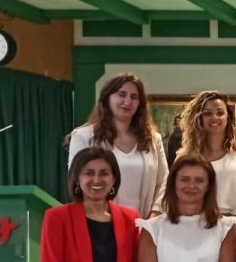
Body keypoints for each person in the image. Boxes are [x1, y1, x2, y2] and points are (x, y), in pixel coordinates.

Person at [68, 72, 168, 217]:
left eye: (134, 97)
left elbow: (164, 181)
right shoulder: (84, 136)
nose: (127, 101)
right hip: (99, 221)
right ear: (107, 98)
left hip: (145, 223)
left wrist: (153, 217)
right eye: (122, 94)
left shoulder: (153, 139)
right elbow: (76, 180)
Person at [177, 91, 236, 218]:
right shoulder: (186, 155)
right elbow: (175, 196)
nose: (214, 117)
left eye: (220, 113)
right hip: (202, 221)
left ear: (228, 117)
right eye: (208, 113)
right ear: (199, 118)